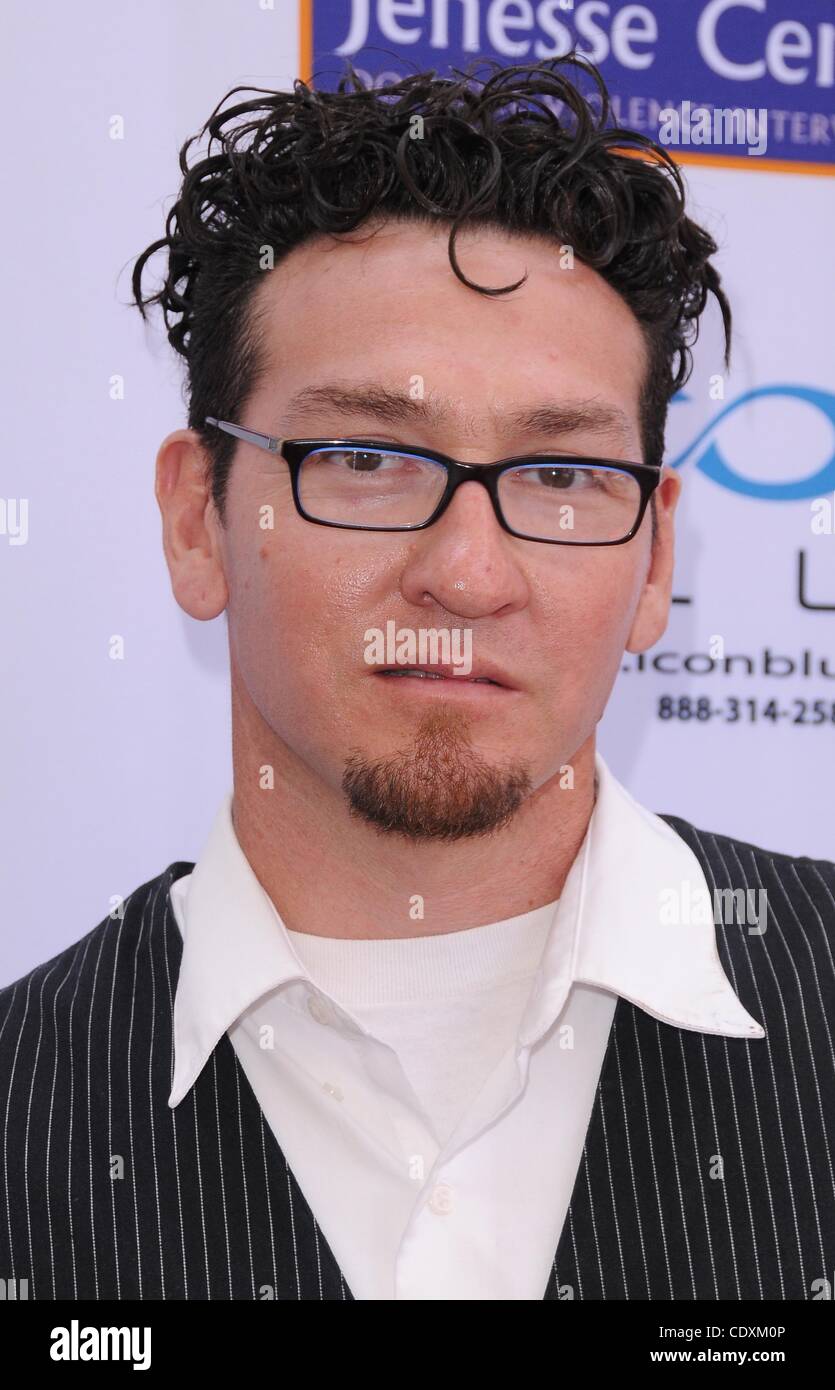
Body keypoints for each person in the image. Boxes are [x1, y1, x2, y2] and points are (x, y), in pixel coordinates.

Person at [2, 56, 833, 1303]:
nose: (468, 573)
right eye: (366, 458)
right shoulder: (26, 1100)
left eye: (561, 475)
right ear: (195, 519)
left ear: (656, 556)